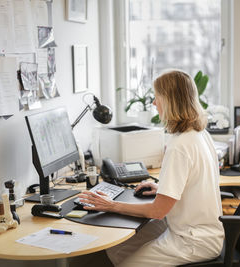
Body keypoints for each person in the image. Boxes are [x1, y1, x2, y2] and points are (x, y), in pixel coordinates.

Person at [79, 69, 224, 267]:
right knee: (117, 249)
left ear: (170, 101)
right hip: (202, 232)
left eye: (157, 97)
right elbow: (195, 181)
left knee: (124, 262)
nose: (154, 103)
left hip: (192, 241)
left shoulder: (179, 146)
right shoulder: (198, 133)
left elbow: (158, 211)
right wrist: (163, 189)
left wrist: (111, 205)